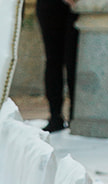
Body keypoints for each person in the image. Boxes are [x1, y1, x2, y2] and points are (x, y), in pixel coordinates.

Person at [35, 0, 78, 133]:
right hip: (51, 5)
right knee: (53, 59)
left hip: (77, 6)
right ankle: (55, 116)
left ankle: (74, 115)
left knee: (73, 61)